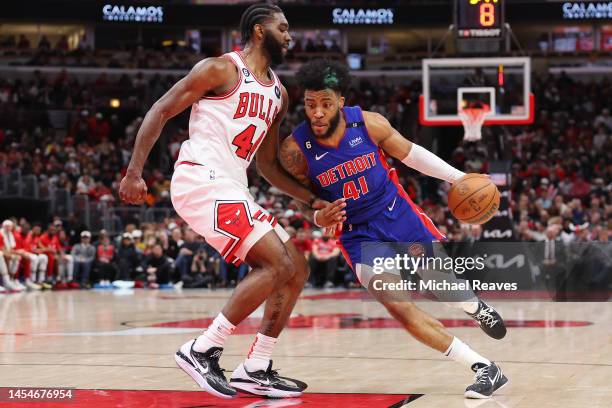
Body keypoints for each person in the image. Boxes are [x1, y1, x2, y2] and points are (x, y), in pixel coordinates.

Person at [118, 3, 344, 399]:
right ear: (259, 30)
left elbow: (269, 167)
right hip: (200, 177)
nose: (290, 36)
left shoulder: (279, 93)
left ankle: (256, 367)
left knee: (296, 269)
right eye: (283, 27)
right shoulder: (221, 69)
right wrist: (134, 171)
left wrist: (312, 203)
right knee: (275, 262)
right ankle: (202, 349)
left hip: (233, 185)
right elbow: (161, 109)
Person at [273, 59, 509, 399]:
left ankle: (475, 307)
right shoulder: (296, 149)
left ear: (341, 100)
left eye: (325, 103)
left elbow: (412, 155)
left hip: (397, 213)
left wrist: (459, 178)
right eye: (311, 105)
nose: (318, 113)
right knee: (398, 305)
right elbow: (301, 198)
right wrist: (316, 216)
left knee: (440, 285)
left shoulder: (369, 124)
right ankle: (484, 368)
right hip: (357, 234)